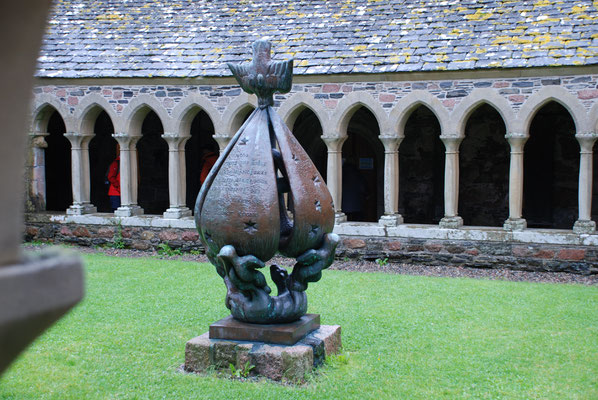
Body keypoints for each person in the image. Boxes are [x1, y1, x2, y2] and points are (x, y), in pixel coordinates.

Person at [107, 144, 120, 211]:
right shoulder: (116, 163)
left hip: (120, 192)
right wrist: (118, 186)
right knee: (116, 210)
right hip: (115, 192)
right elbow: (110, 177)